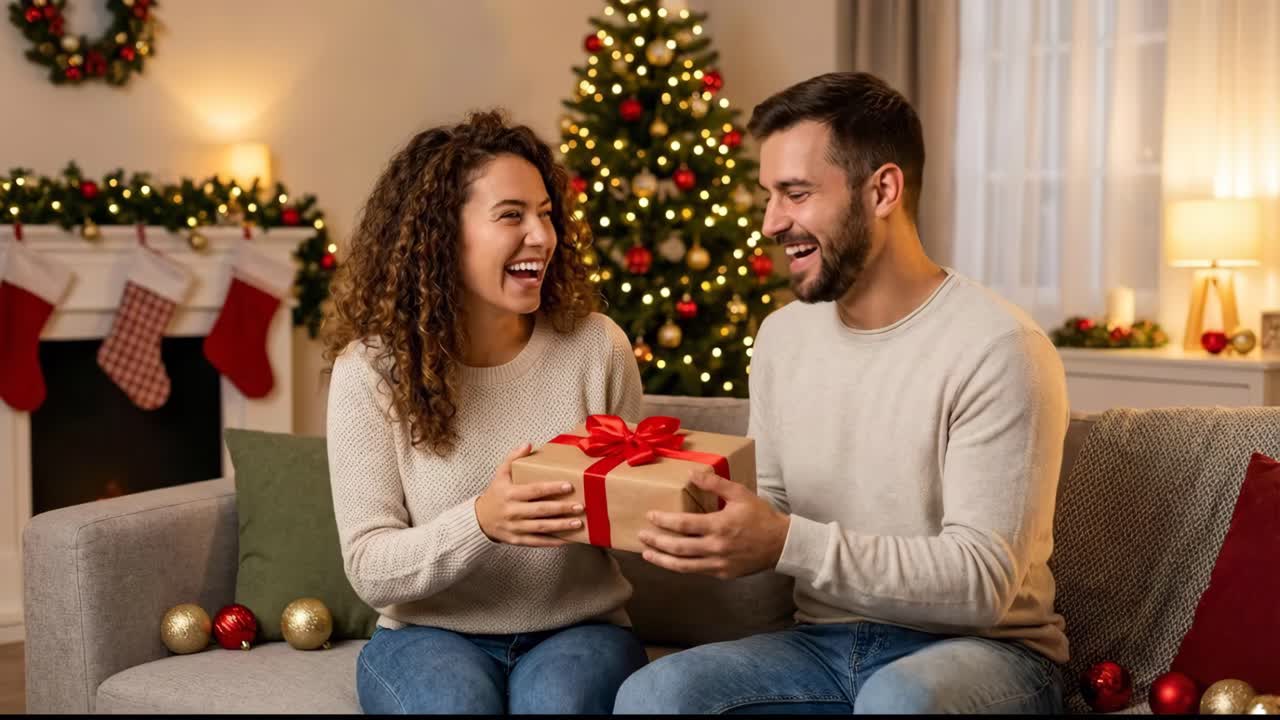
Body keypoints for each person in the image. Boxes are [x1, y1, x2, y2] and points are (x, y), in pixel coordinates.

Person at [614, 71, 1070, 714]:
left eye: (795, 193)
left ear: (882, 189)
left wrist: (784, 541)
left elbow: (981, 583)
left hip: (986, 653)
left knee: (898, 701)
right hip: (822, 645)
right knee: (655, 694)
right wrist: (694, 518)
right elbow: (773, 501)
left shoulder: (999, 348)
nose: (772, 222)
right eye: (769, 194)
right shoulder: (781, 337)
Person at [324, 110, 648, 714]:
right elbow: (370, 567)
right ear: (442, 234)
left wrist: (663, 505)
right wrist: (482, 522)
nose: (541, 237)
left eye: (546, 215)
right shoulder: (370, 372)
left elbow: (628, 527)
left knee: (559, 704)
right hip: (425, 635)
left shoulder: (596, 347)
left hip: (580, 629)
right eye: (511, 216)